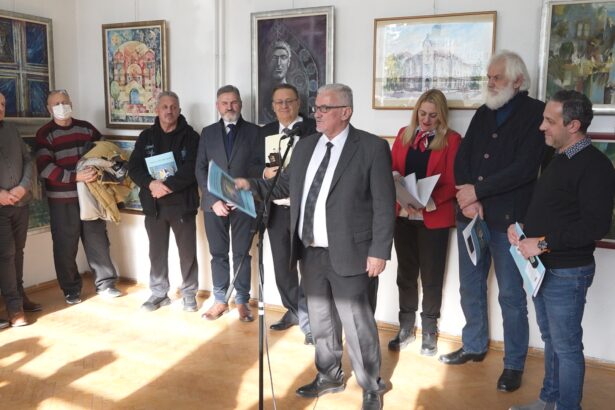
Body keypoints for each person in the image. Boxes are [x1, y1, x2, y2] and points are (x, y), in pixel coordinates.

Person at [237, 83, 395, 410]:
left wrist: (379, 251)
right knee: (322, 320)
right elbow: (283, 184)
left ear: (345, 112)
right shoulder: (306, 146)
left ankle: (370, 384)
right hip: (310, 251)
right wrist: (248, 184)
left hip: (352, 252)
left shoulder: (371, 148)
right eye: (317, 107)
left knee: (357, 323)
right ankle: (329, 375)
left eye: (325, 108)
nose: (317, 114)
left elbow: (384, 204)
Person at [439, 50, 548, 393]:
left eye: (497, 77)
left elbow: (525, 169)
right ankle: (473, 345)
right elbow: (463, 157)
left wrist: (478, 191)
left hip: (508, 222)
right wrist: (468, 197)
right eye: (488, 77)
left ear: (518, 80)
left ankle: (513, 364)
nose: (490, 82)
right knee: (470, 285)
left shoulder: (536, 113)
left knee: (511, 296)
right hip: (472, 216)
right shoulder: (484, 112)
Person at [508, 91, 615, 410]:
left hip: (567, 272)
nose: (542, 126)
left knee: (566, 348)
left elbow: (594, 226)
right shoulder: (559, 157)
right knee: (551, 341)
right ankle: (549, 400)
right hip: (543, 269)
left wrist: (540, 243)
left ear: (573, 125)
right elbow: (556, 209)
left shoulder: (596, 166)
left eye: (549, 121)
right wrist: (523, 227)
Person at [388, 89, 461, 355]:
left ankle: (429, 331)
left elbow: (453, 182)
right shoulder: (403, 135)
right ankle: (405, 327)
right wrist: (398, 188)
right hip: (403, 216)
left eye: (433, 115)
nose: (426, 120)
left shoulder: (452, 140)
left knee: (431, 277)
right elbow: (391, 170)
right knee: (405, 275)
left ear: (442, 116)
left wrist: (427, 201)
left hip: (433, 217)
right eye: (422, 114)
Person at [35, 89, 121, 304]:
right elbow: (45, 168)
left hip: (91, 196)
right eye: (56, 104)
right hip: (62, 200)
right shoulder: (45, 134)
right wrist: (75, 177)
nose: (61, 106)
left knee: (98, 241)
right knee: (65, 246)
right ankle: (71, 289)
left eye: (64, 102)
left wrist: (101, 169)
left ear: (71, 104)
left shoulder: (87, 128)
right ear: (49, 109)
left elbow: (105, 151)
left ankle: (106, 284)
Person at [196, 85, 263, 322]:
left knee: (242, 253)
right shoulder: (207, 133)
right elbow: (200, 168)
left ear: (240, 104)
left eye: (233, 102)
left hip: (243, 202)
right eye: (224, 103)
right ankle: (220, 300)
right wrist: (214, 200)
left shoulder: (255, 132)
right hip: (213, 205)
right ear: (217, 106)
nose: (229, 107)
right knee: (218, 253)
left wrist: (242, 194)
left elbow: (259, 167)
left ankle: (242, 300)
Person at [128, 91, 200, 312]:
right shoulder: (145, 137)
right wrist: (151, 184)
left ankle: (189, 293)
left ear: (179, 110)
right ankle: (159, 293)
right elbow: (134, 167)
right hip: (154, 206)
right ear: (157, 110)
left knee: (187, 253)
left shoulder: (192, 136)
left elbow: (193, 169)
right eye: (165, 107)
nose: (169, 111)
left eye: (174, 107)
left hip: (183, 205)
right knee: (156, 253)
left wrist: (166, 186)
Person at [259, 83, 316, 344]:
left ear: (298, 103)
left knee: (310, 267)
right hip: (276, 210)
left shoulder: (313, 129)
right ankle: (294, 311)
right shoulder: (265, 132)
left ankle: (311, 321)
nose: (284, 106)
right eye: (279, 102)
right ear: (273, 106)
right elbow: (252, 163)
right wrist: (264, 172)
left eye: (289, 101)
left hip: (306, 210)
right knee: (283, 268)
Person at [0, 92, 41, 328]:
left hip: (20, 203)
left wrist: (24, 186)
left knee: (18, 252)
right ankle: (14, 309)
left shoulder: (11, 129)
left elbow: (28, 159)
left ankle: (20, 295)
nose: (0, 108)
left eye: (2, 104)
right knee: (6, 255)